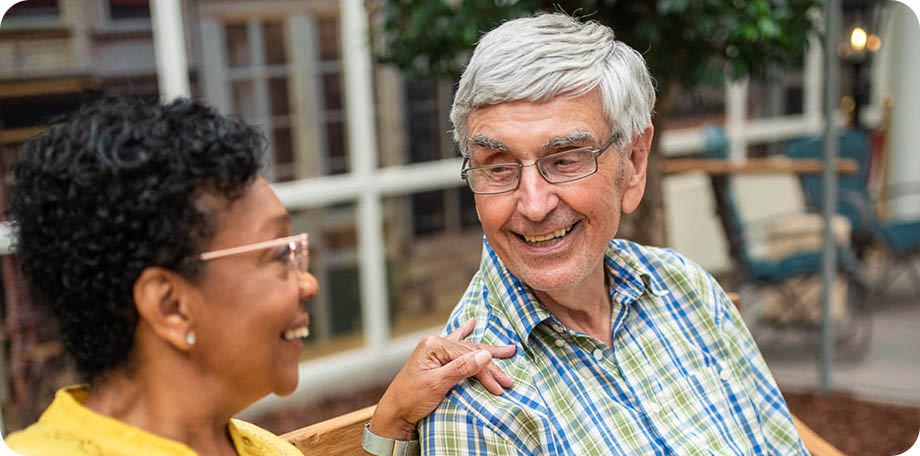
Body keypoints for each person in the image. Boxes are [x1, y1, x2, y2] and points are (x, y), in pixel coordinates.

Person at [3, 96, 514, 456]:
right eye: (278, 255)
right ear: (170, 305)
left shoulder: (252, 446)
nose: (308, 282)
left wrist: (393, 418)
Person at [419, 13, 808, 455]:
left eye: (565, 159)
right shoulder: (477, 403)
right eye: (499, 166)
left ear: (635, 163)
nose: (533, 203)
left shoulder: (686, 288)